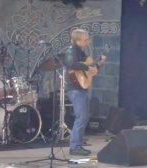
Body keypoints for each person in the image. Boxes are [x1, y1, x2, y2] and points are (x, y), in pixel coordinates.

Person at [64, 28, 98, 156]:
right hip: (75, 90)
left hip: (80, 87)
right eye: (85, 39)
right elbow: (72, 64)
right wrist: (88, 67)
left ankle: (78, 144)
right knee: (81, 117)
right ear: (77, 40)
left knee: (84, 117)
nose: (87, 41)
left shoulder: (80, 51)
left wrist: (94, 66)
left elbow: (87, 64)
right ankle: (75, 147)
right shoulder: (71, 50)